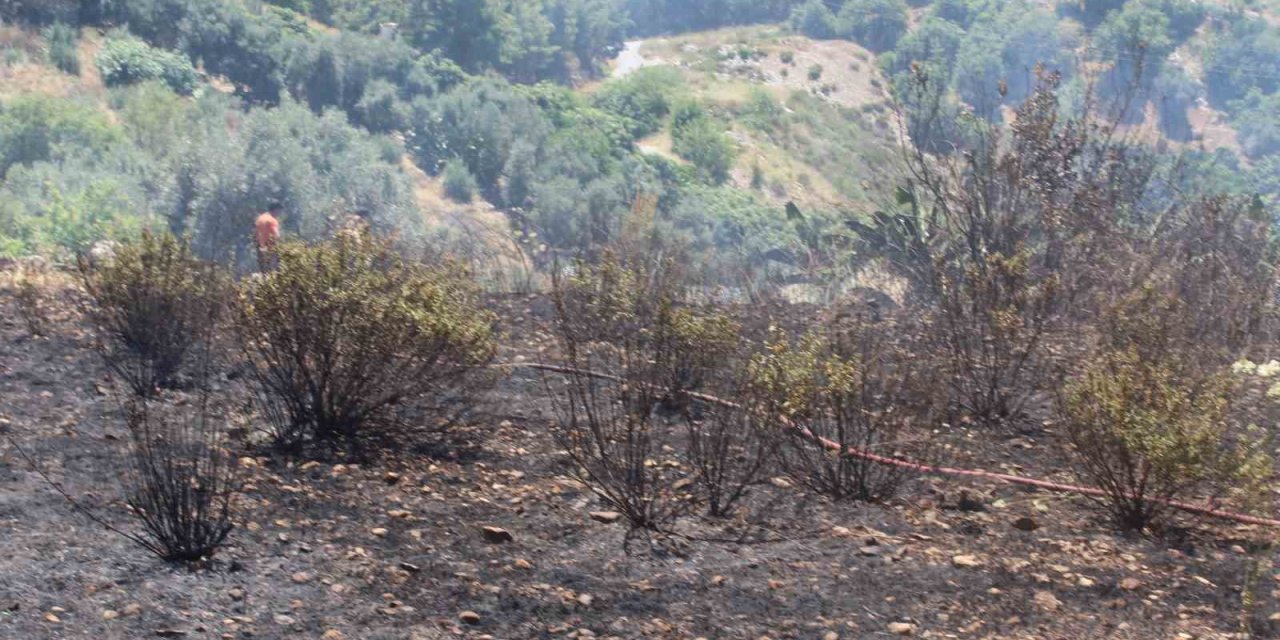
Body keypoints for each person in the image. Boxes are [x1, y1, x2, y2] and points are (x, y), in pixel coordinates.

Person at [255, 202, 283, 272]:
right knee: (273, 271)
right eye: (280, 211)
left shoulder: (260, 218)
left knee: (264, 270)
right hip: (270, 248)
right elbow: (276, 236)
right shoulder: (272, 220)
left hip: (260, 248)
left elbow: (255, 233)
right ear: (276, 210)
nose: (280, 214)